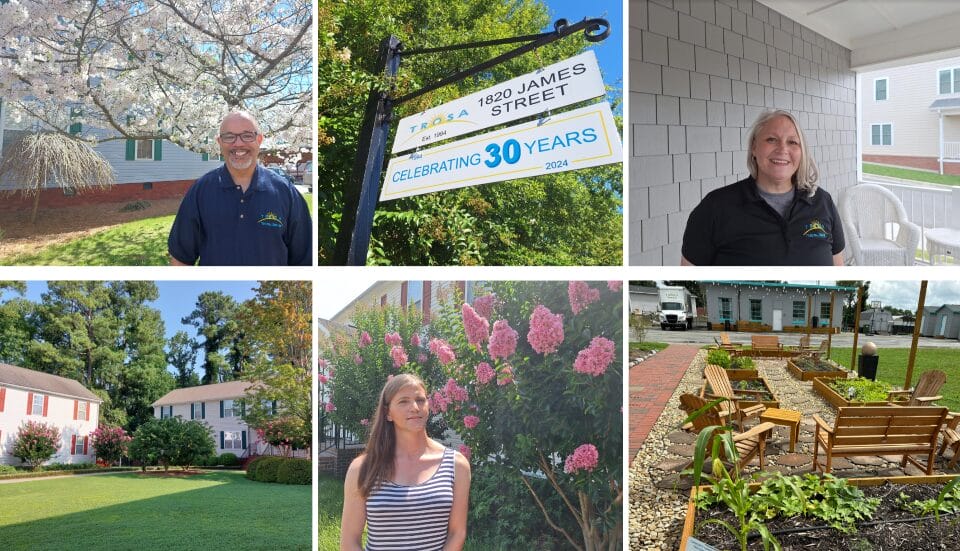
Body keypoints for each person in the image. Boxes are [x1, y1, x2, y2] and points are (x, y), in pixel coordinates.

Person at [681, 110, 845, 266]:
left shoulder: (823, 202)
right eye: (771, 139)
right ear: (754, 147)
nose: (782, 149)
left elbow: (838, 270)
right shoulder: (715, 207)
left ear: (802, 152)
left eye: (792, 142)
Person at [341, 374, 471, 551]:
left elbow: (457, 533)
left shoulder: (456, 465)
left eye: (420, 400)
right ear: (388, 413)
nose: (415, 407)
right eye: (403, 401)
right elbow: (349, 541)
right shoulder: (362, 468)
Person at [167, 110, 312, 265]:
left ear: (259, 140)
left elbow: (304, 260)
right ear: (219, 142)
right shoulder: (200, 191)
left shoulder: (286, 192)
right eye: (229, 136)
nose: (238, 143)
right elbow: (181, 259)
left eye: (247, 135)